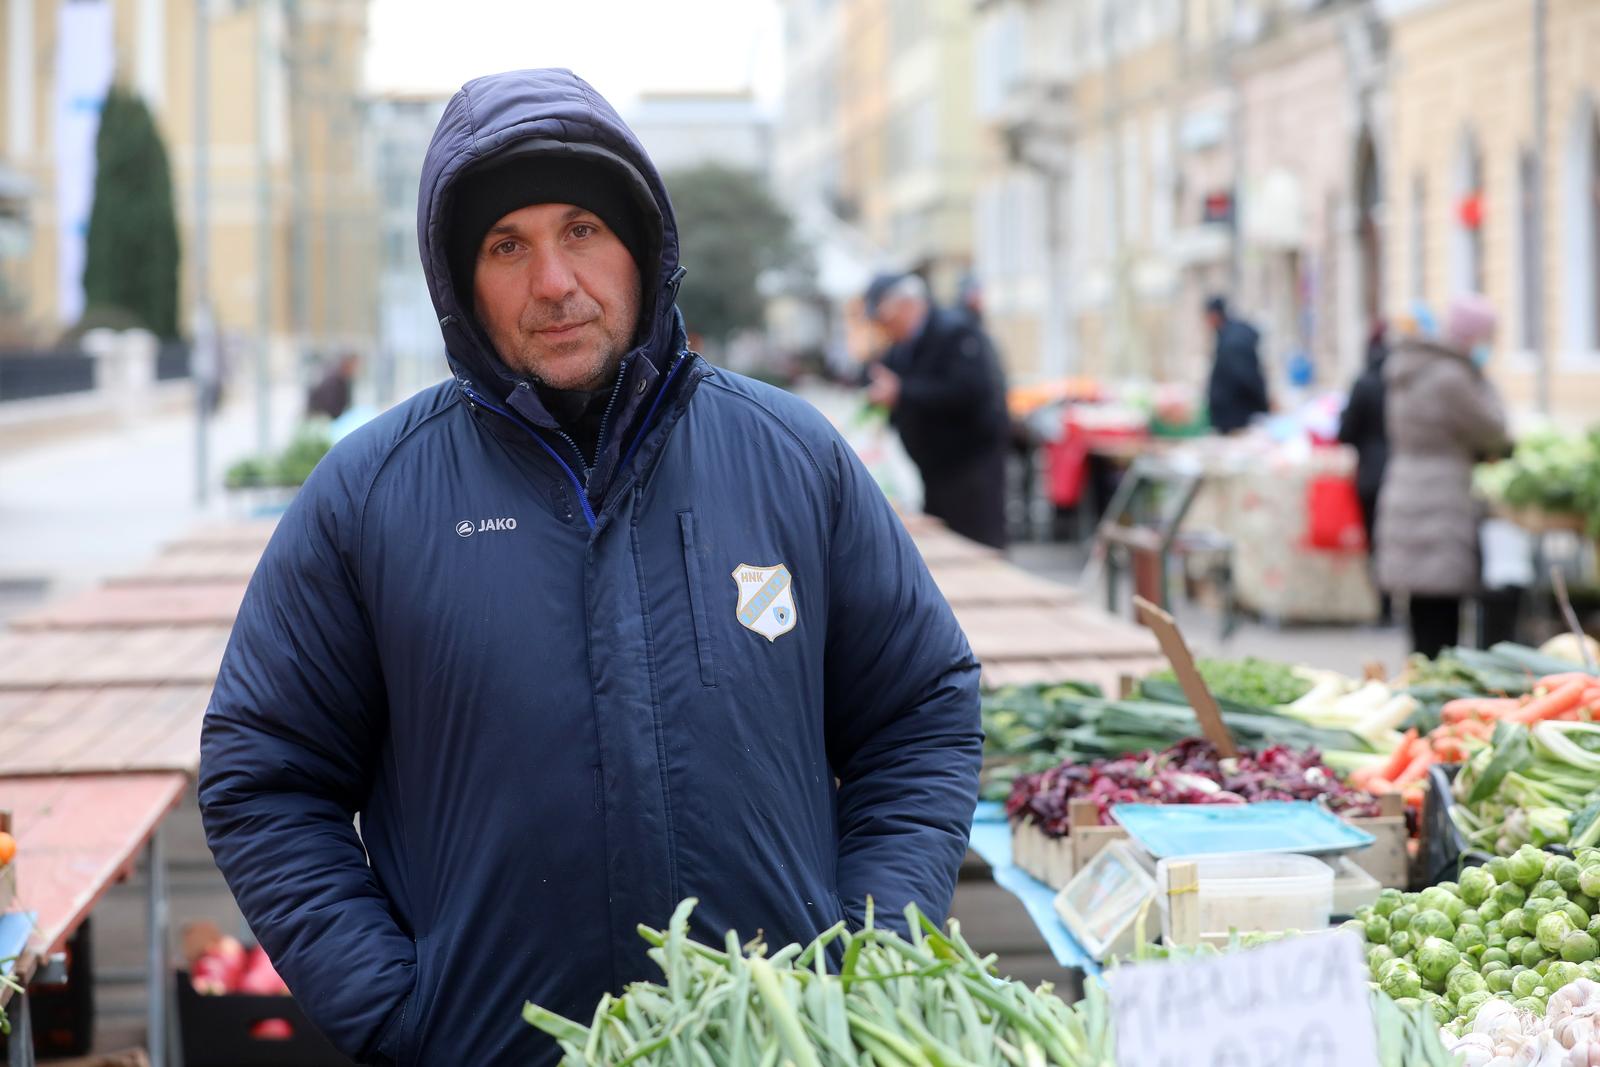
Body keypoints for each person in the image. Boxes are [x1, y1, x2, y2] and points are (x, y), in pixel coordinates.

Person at [199, 68, 982, 1067]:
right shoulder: (371, 494)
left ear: (642, 248)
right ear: (459, 281)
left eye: (582, 230)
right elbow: (264, 772)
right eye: (506, 245)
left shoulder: (791, 457)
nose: (554, 281)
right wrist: (399, 1010)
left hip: (777, 1045)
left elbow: (920, 709)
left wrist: (868, 956)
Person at [1376, 293, 1510, 658]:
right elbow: (1494, 429)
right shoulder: (1452, 377)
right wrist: (1483, 379)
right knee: (1443, 619)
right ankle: (1434, 685)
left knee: (1421, 613)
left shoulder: (1409, 368)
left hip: (1405, 488)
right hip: (1441, 497)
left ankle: (1419, 679)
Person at [862, 272, 1010, 548]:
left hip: (969, 467)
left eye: (884, 318)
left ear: (906, 305)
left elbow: (969, 391)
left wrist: (902, 392)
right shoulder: (901, 347)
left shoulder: (955, 333)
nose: (883, 327)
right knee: (943, 543)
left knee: (976, 546)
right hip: (933, 469)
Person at [1338, 319, 1391, 621]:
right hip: (1399, 473)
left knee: (1375, 542)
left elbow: (1345, 431)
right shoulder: (1401, 385)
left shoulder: (1365, 383)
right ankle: (1394, 604)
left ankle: (1383, 607)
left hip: (1370, 473)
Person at [1203, 295, 1270, 434]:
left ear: (1214, 315)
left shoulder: (1233, 341)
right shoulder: (1227, 335)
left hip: (1236, 416)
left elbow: (1246, 376)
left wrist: (1264, 404)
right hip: (1233, 414)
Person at [306, 351, 359, 420]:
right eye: (353, 366)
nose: (355, 369)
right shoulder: (334, 381)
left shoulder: (346, 381)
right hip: (322, 416)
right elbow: (330, 405)